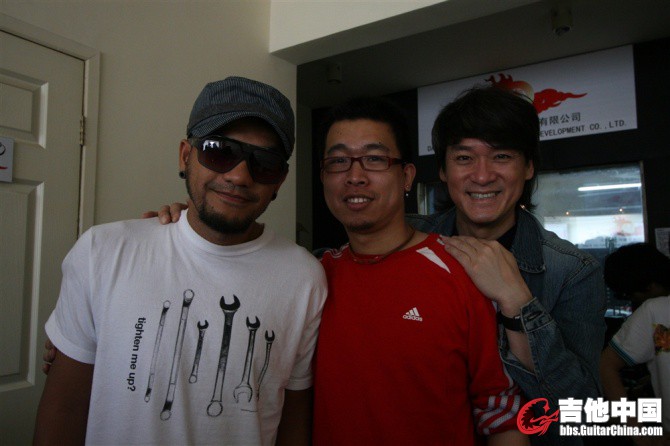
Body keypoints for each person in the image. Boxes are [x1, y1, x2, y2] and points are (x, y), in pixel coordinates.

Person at [33, 77, 327, 445]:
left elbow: (293, 420)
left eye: (265, 163)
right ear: (185, 156)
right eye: (219, 151)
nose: (239, 176)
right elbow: (65, 410)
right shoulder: (102, 251)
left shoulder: (305, 277)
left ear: (279, 180)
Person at [313, 97, 526, 445]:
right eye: (338, 162)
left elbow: (501, 415)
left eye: (374, 159)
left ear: (407, 176)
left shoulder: (463, 270)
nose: (354, 177)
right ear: (323, 176)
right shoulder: (312, 278)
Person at [407, 86, 606, 445]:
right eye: (464, 158)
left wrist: (518, 302)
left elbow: (581, 413)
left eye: (501, 156)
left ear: (528, 167)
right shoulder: (407, 239)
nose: (482, 176)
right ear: (443, 170)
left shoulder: (573, 270)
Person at [600, 243, 670, 442]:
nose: (632, 302)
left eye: (629, 295)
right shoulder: (656, 313)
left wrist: (637, 433)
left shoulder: (654, 310)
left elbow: (605, 366)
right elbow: (606, 366)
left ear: (649, 286)